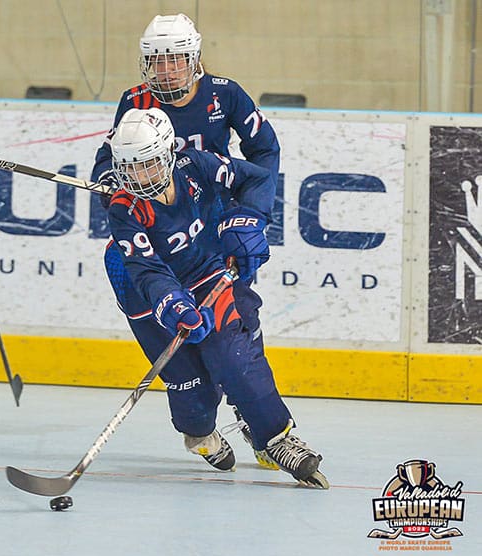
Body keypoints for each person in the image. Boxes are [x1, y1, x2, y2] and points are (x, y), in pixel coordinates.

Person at [91, 13, 281, 468]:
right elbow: (110, 159)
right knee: (183, 349)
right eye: (157, 61)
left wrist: (249, 214)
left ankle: (259, 422)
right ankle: (199, 425)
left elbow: (263, 151)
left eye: (176, 59)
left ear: (194, 59)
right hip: (160, 234)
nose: (167, 70)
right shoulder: (134, 101)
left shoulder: (224, 93)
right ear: (145, 64)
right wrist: (107, 184)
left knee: (239, 323)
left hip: (212, 229)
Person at [105, 107, 327, 488]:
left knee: (232, 355)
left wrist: (248, 220)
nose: (139, 177)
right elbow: (147, 270)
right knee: (192, 392)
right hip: (147, 291)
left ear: (167, 155)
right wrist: (173, 303)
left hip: (209, 272)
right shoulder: (124, 208)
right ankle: (199, 434)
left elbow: (256, 179)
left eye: (148, 165)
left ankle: (275, 437)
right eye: (130, 167)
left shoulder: (198, 165)